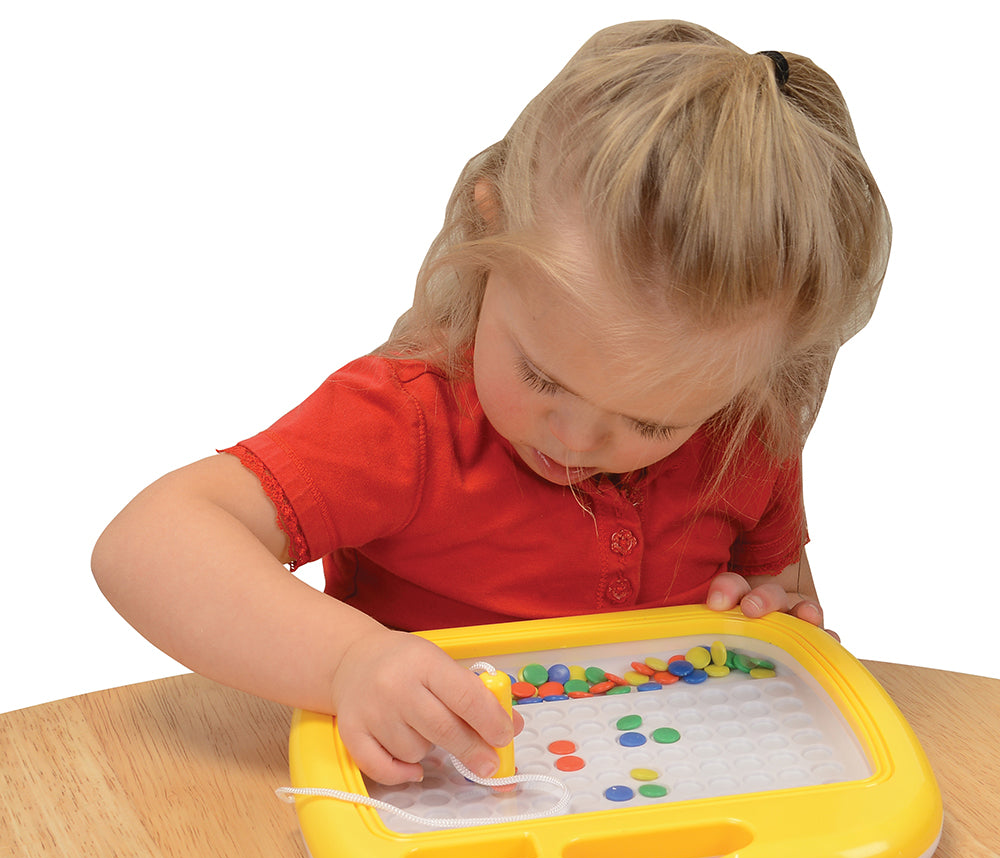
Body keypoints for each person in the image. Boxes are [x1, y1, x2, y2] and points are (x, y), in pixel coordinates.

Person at [92, 20, 890, 786]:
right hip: (437, 818)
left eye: (652, 422)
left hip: (659, 819)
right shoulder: (408, 422)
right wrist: (346, 663)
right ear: (489, 227)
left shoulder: (745, 433)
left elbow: (785, 601)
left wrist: (764, 615)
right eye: (542, 377)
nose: (575, 438)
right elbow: (146, 545)